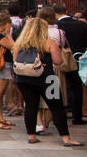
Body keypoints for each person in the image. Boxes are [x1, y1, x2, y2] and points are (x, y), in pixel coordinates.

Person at [13, 16, 80, 146]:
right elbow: (58, 61)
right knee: (57, 107)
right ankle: (66, 138)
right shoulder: (49, 43)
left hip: (23, 79)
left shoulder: (20, 43)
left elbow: (16, 60)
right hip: (48, 79)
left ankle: (31, 135)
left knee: (31, 106)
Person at [54, 2, 87, 125]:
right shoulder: (81, 25)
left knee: (58, 88)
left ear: (55, 13)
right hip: (77, 60)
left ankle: (58, 115)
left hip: (58, 60)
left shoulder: (56, 26)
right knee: (77, 89)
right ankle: (77, 116)